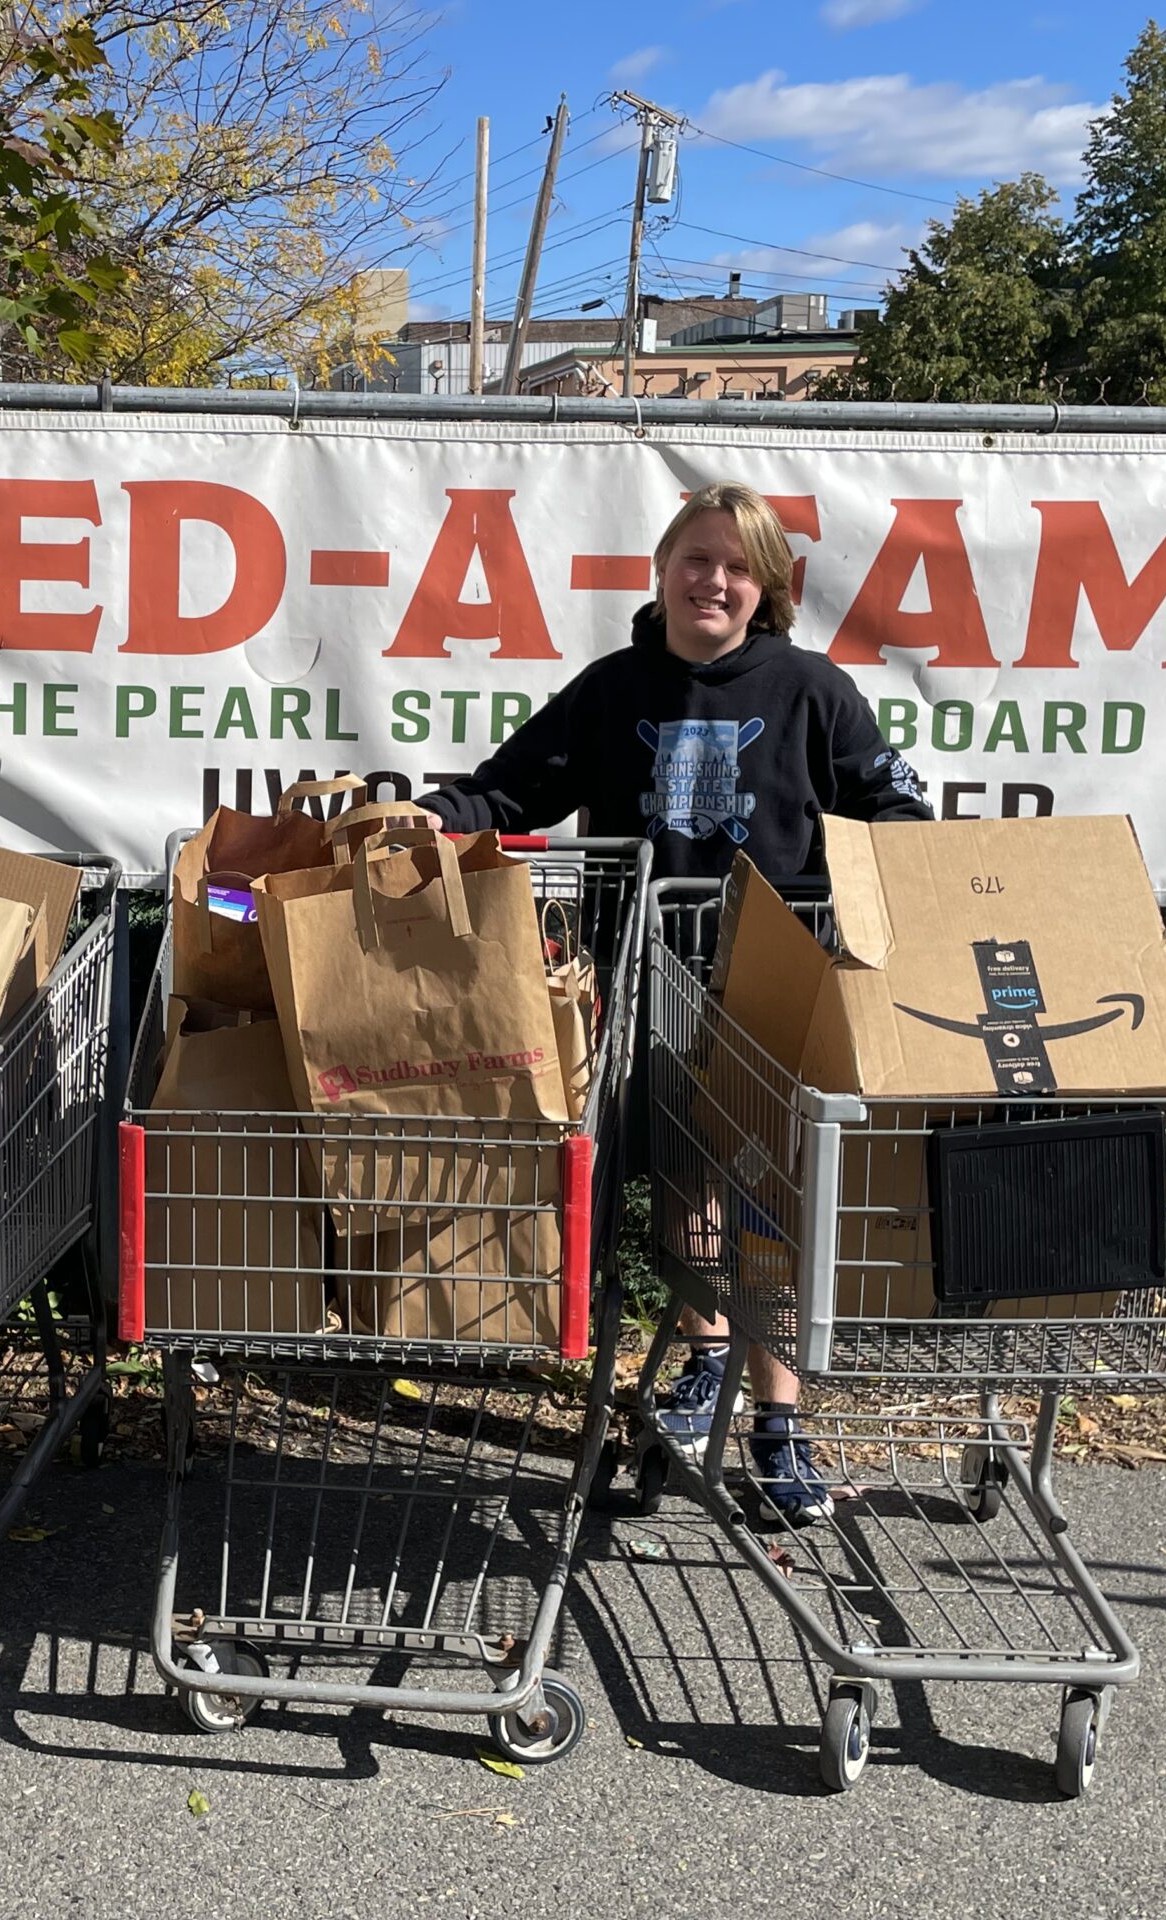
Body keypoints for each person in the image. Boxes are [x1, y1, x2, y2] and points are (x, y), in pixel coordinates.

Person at [420, 480, 931, 1525]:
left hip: (774, 981)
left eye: (739, 566)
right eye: (697, 558)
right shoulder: (613, 691)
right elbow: (508, 792)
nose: (716, 580)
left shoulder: (811, 691)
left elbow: (887, 802)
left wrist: (911, 857)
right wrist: (424, 818)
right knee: (689, 1180)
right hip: (645, 978)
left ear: (769, 588)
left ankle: (779, 1422)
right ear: (661, 571)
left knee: (774, 1200)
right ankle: (705, 1363)